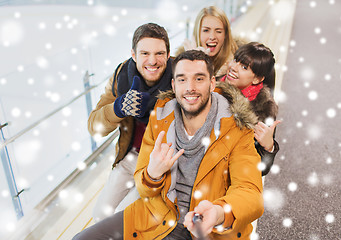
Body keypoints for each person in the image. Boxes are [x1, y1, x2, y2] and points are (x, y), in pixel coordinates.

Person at [73, 50, 263, 240]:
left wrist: (219, 212)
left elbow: (250, 193)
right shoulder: (161, 117)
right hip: (157, 216)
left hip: (204, 229)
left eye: (199, 79)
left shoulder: (237, 128)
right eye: (182, 79)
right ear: (173, 84)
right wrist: (152, 175)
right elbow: (143, 185)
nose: (190, 88)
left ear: (212, 83)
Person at [88, 23, 173, 222]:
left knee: (124, 221)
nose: (152, 61)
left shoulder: (179, 76)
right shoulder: (121, 76)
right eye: (145, 53)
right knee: (99, 215)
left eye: (159, 53)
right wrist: (118, 108)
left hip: (161, 165)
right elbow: (95, 128)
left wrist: (157, 107)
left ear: (168, 55)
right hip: (130, 159)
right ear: (134, 55)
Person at [219, 42, 280, 176]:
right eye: (235, 60)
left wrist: (268, 147)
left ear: (257, 79)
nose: (233, 67)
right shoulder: (213, 85)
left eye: (244, 67)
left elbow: (260, 169)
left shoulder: (264, 109)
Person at [176, 6, 240, 77]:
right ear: (198, 33)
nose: (212, 37)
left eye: (218, 31)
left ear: (225, 35)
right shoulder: (180, 64)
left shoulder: (238, 67)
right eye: (206, 30)